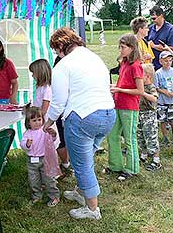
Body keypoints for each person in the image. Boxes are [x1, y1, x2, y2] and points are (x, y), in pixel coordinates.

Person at [43, 27, 115, 220]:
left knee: (81, 164)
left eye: (55, 49)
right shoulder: (94, 58)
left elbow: (58, 102)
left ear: (61, 45)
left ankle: (92, 209)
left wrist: (47, 122)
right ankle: (81, 191)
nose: (56, 53)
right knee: (86, 159)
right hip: (108, 114)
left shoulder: (63, 66)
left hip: (83, 118)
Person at [106, 33, 144, 182]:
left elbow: (140, 91)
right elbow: (124, 84)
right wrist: (115, 86)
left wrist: (119, 89)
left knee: (129, 138)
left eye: (123, 47)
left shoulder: (136, 66)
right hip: (118, 104)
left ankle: (132, 168)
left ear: (132, 48)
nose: (120, 50)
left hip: (130, 107)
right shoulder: (124, 63)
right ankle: (115, 165)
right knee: (113, 135)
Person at [20, 106, 60, 207]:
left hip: (45, 159)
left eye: (39, 119)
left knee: (49, 179)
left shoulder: (44, 130)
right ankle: (37, 195)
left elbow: (52, 140)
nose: (37, 122)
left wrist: (54, 135)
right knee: (34, 180)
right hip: (32, 161)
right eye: (34, 120)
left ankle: (54, 196)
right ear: (28, 122)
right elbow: (23, 144)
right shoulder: (27, 133)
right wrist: (27, 144)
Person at [137, 63, 161, 171]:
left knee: (151, 137)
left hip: (149, 116)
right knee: (140, 136)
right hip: (139, 114)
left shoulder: (151, 87)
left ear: (147, 76)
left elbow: (154, 98)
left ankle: (156, 160)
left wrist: (143, 93)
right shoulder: (139, 86)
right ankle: (143, 155)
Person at [154, 51, 173, 145]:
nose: (168, 62)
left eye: (170, 60)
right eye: (165, 61)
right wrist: (165, 92)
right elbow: (156, 87)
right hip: (162, 101)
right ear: (160, 61)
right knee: (163, 120)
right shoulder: (158, 73)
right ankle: (165, 137)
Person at [147, 5, 173, 70]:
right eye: (151, 18)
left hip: (165, 66)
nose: (152, 20)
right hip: (151, 65)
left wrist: (154, 46)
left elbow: (172, 48)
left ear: (161, 16)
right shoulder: (150, 28)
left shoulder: (171, 29)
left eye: (154, 18)